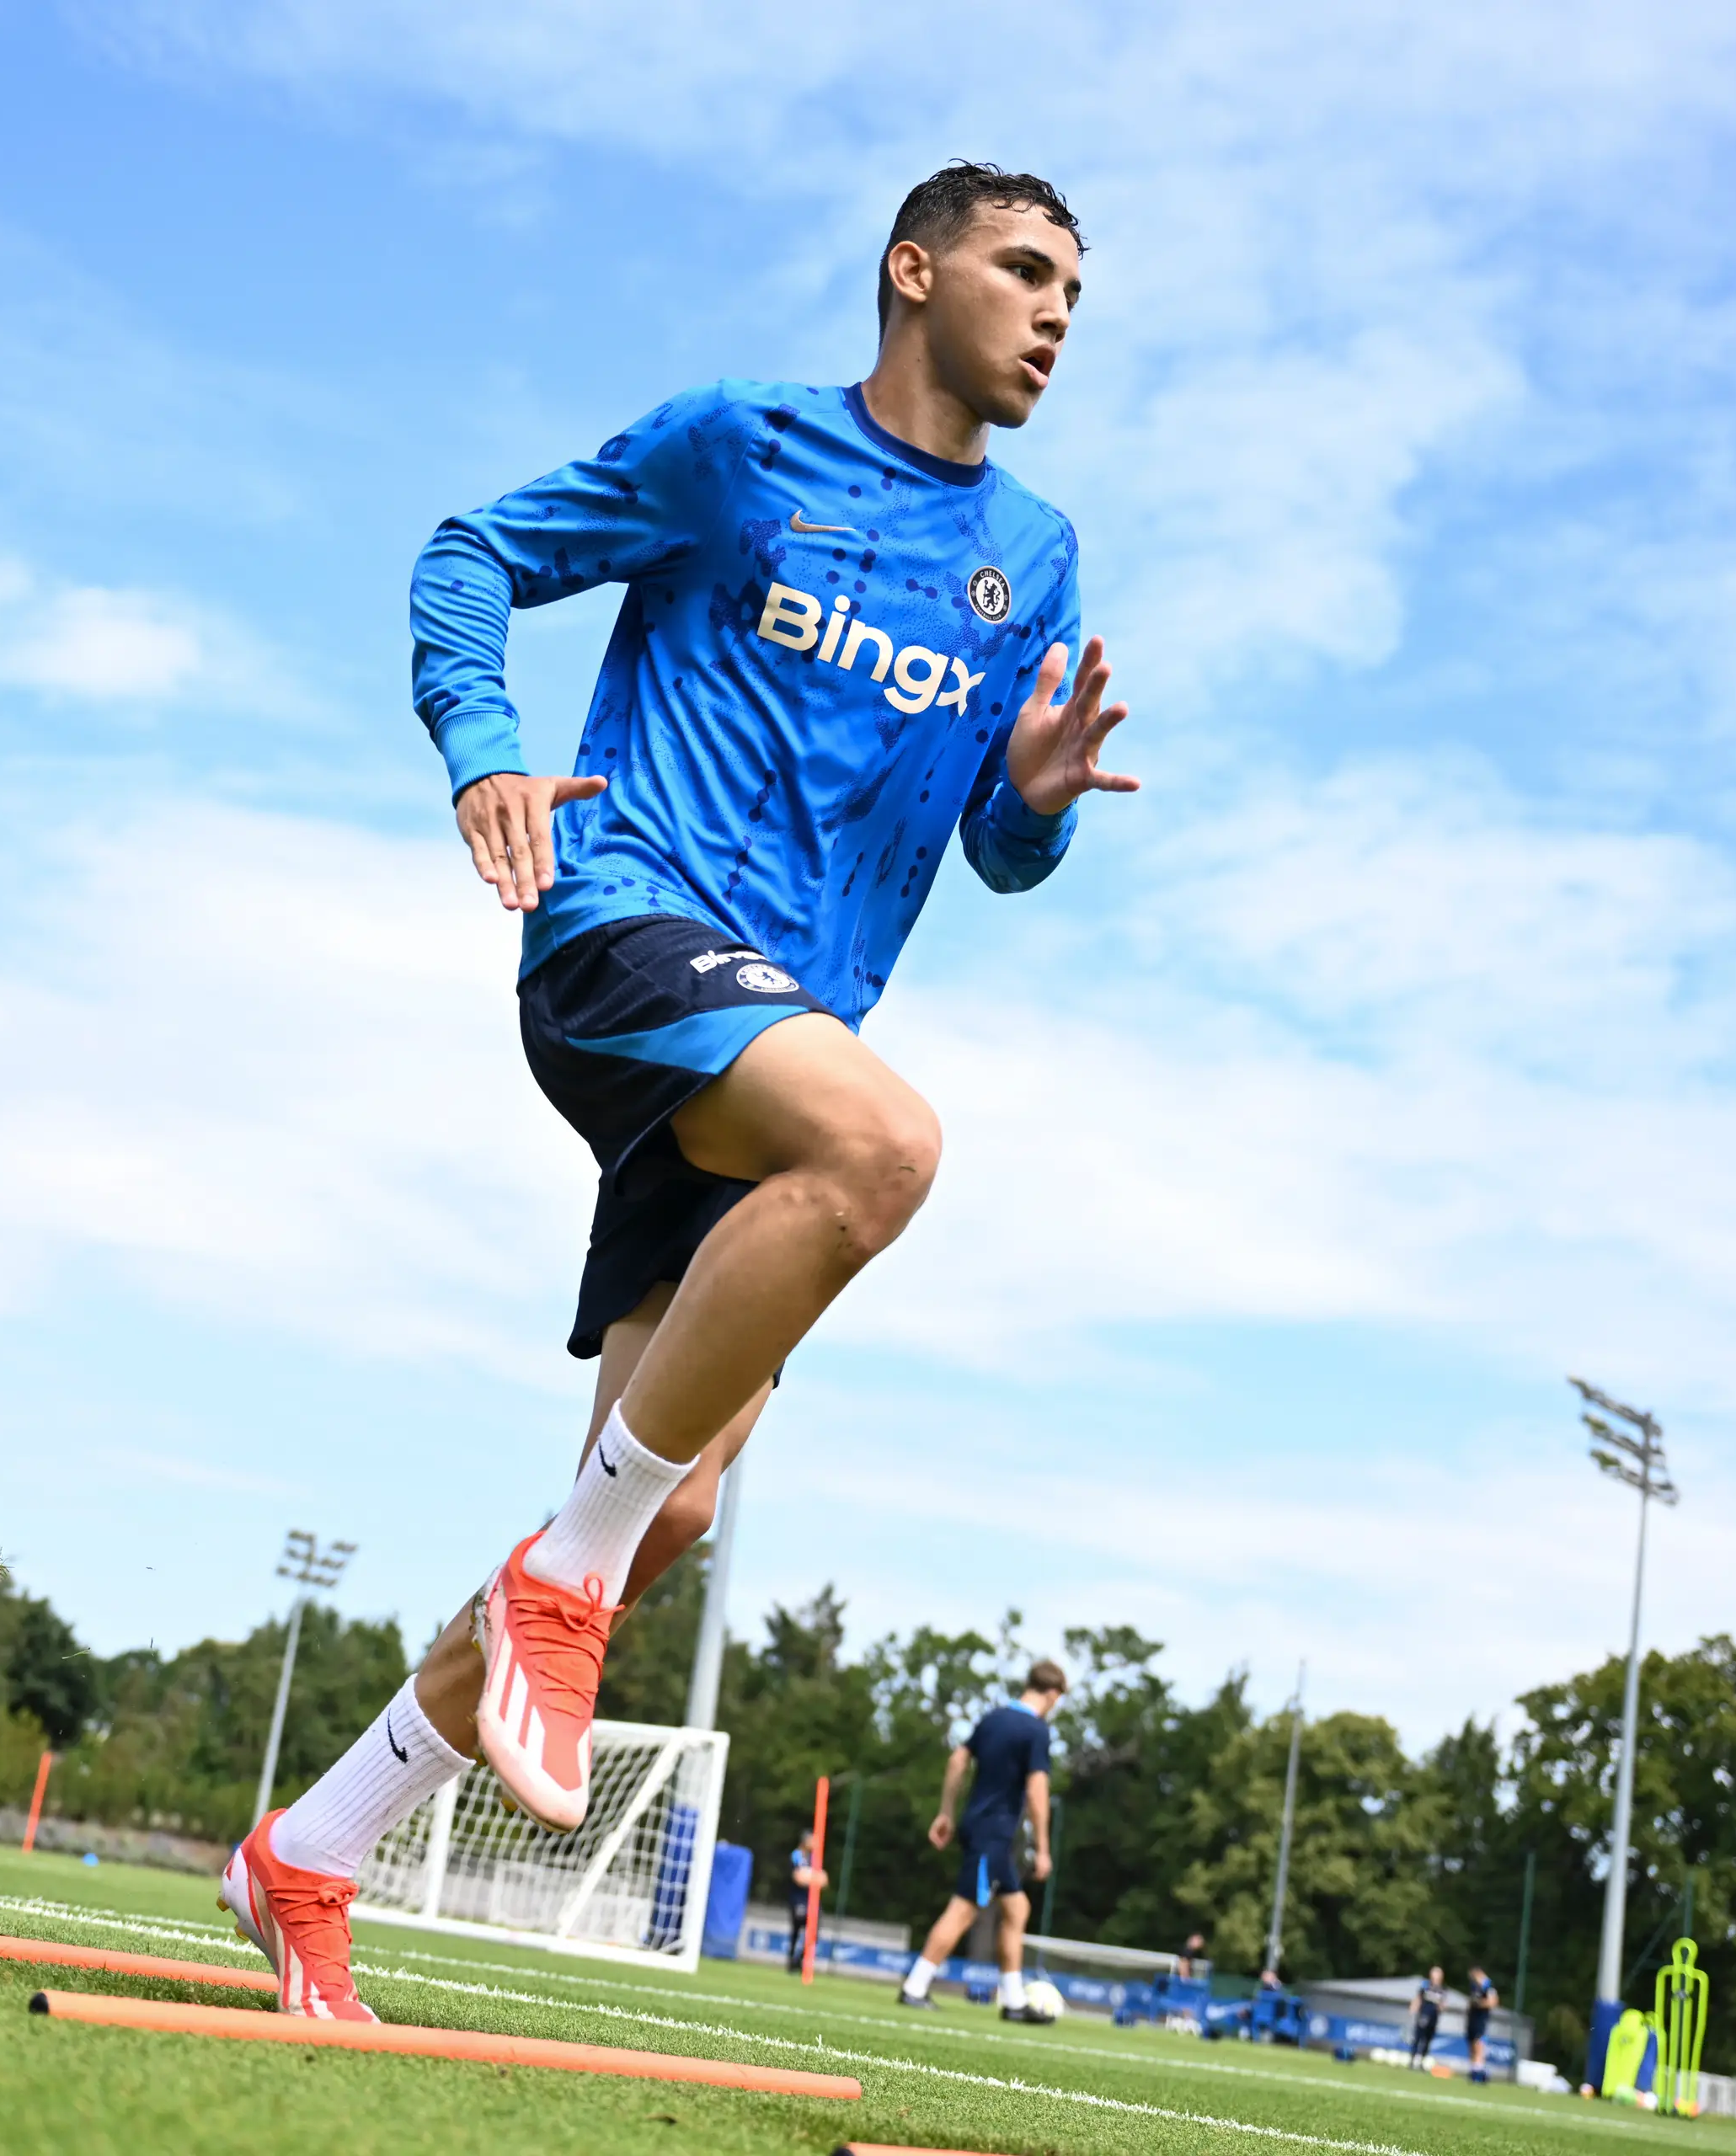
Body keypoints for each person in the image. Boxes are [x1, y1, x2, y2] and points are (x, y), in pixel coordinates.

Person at [212, 160, 1135, 2024]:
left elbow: (989, 854)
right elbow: (472, 553)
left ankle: (308, 1846)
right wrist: (484, 749)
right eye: (1025, 270)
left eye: (1073, 294)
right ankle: (558, 1594)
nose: (1053, 313)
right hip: (627, 930)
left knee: (666, 1507)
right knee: (887, 1143)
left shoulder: (1030, 559)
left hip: (776, 1030)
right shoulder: (737, 449)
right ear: (913, 270)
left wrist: (1026, 794)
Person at [895, 1662, 1068, 2019]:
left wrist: (946, 1811)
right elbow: (1037, 1790)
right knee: (964, 1909)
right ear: (1052, 1694)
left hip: (986, 1829)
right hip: (994, 1832)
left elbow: (958, 1759)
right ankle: (914, 1987)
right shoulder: (1036, 1730)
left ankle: (1014, 2001)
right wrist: (1044, 1848)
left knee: (1017, 1908)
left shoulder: (993, 1719)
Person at [784, 1835, 830, 1975]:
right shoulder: (796, 1856)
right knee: (797, 1930)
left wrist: (810, 1878)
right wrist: (813, 1879)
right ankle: (792, 1962)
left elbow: (824, 1880)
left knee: (814, 1933)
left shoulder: (814, 1858)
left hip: (812, 1902)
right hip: (798, 1900)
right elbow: (798, 1878)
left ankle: (799, 1960)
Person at [1410, 1964, 1448, 2068]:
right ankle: (1412, 2060)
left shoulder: (1442, 1989)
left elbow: (1443, 2004)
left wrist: (1442, 2007)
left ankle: (1422, 2060)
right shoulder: (1425, 1985)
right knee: (1418, 2037)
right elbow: (1418, 1998)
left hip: (1434, 2017)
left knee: (1428, 2039)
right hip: (1423, 2014)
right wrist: (1413, 2008)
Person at [1465, 1965, 1498, 2083]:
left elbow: (1493, 2002)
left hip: (1481, 2020)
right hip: (1472, 2018)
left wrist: (1479, 2003)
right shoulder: (1474, 1986)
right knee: (1471, 2045)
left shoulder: (1488, 1985)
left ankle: (1479, 2073)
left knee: (1479, 2045)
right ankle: (1474, 2070)